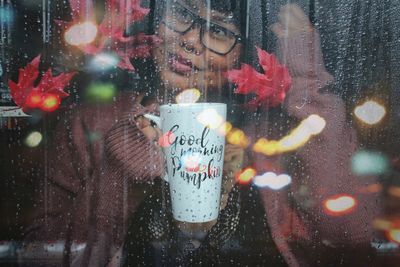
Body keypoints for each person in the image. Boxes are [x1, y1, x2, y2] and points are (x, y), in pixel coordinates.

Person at [24, 0, 380, 266]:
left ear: (248, 53)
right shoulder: (95, 122)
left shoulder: (278, 137)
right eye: (181, 15)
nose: (191, 40)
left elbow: (353, 235)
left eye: (220, 31)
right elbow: (46, 255)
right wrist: (120, 167)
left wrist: (310, 83)